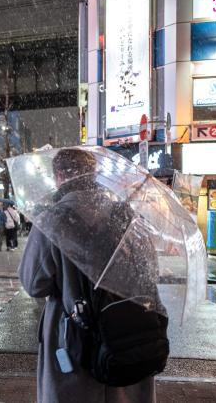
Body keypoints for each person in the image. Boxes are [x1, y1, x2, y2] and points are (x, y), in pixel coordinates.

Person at [19, 148, 157, 403]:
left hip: (74, 337)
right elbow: (150, 271)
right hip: (126, 332)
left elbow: (33, 283)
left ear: (60, 176)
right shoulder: (127, 216)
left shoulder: (53, 219)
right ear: (93, 174)